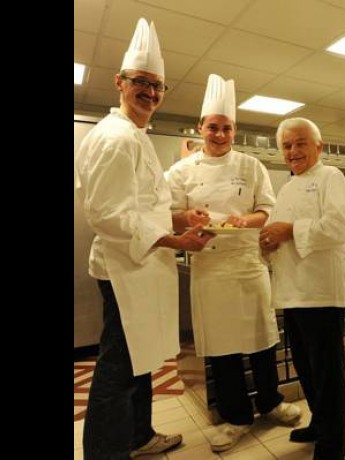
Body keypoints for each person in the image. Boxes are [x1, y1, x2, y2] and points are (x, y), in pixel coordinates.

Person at [74, 18, 215, 459]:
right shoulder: (116, 138)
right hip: (123, 270)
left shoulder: (135, 135)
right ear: (120, 82)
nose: (151, 93)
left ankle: (138, 437)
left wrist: (178, 216)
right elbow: (107, 215)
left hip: (137, 267)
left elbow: (138, 208)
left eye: (158, 86)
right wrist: (177, 241)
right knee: (116, 368)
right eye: (142, 83)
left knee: (136, 363)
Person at [166, 74, 301, 453]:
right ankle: (236, 416)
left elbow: (267, 209)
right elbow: (168, 214)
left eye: (226, 128)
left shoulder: (251, 166)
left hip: (248, 261)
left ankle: (271, 402)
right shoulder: (181, 172)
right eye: (213, 127)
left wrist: (247, 221)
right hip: (209, 267)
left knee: (261, 339)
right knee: (223, 347)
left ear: (234, 130)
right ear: (201, 127)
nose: (220, 134)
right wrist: (187, 218)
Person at [260, 117, 345, 459]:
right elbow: (279, 233)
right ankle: (318, 424)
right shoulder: (286, 188)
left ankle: (332, 446)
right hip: (291, 291)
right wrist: (268, 244)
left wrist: (289, 230)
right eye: (287, 146)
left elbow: (339, 227)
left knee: (327, 375)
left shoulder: (331, 177)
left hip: (321, 292)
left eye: (300, 144)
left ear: (319, 147)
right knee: (306, 368)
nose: (293, 151)